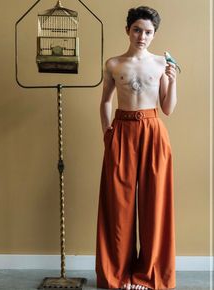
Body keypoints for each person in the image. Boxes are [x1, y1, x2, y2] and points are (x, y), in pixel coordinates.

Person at [95, 6, 177, 290]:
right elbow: (106, 100)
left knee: (155, 203)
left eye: (149, 32)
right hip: (122, 130)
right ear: (128, 30)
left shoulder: (160, 63)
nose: (143, 36)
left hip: (153, 131)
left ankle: (147, 274)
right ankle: (118, 273)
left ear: (154, 34)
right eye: (137, 30)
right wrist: (108, 133)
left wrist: (173, 81)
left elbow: (167, 108)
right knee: (118, 205)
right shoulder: (113, 64)